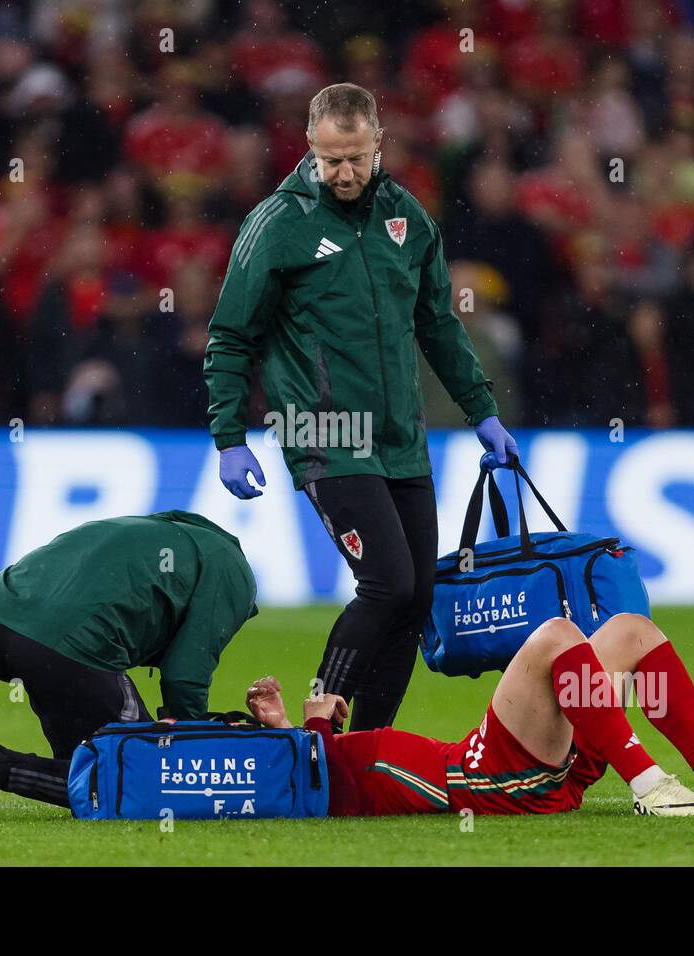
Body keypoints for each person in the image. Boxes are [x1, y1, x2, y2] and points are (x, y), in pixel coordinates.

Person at [203, 82, 518, 732]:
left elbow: (438, 324)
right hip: (323, 434)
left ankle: (370, 748)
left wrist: (480, 409)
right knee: (387, 586)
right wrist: (228, 436)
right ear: (310, 148)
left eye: (356, 158)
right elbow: (232, 334)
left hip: (401, 437)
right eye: (330, 159)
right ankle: (318, 729)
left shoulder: (408, 220)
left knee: (417, 597)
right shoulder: (280, 224)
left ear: (380, 145)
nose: (343, 172)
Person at [0, 613, 694, 819]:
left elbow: (300, 773)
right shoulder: (305, 782)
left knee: (626, 629)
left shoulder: (311, 759)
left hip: (483, 759)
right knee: (554, 636)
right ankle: (646, 779)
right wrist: (298, 734)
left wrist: (302, 725)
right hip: (488, 776)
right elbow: (295, 791)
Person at [0, 510, 259, 770]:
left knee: (87, 769)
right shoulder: (234, 576)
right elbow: (185, 674)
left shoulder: (168, 530)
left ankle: (1, 769)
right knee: (141, 773)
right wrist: (187, 750)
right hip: (59, 643)